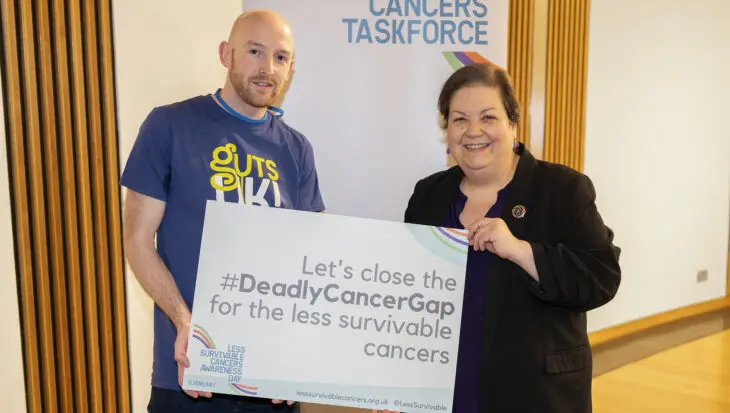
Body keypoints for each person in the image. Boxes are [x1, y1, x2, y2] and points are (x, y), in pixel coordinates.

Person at [121, 9, 324, 413]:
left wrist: (297, 353)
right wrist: (184, 321)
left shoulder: (297, 149)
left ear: (291, 68)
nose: (267, 68)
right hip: (188, 373)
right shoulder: (169, 126)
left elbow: (309, 260)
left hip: (270, 380)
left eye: (280, 58)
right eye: (254, 51)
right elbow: (137, 240)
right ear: (225, 54)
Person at [400, 63, 622, 413]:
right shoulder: (429, 196)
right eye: (459, 119)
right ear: (447, 130)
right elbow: (405, 292)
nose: (473, 131)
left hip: (535, 396)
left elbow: (602, 278)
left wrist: (522, 251)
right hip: (443, 395)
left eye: (488, 117)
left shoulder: (562, 189)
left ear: (513, 125)